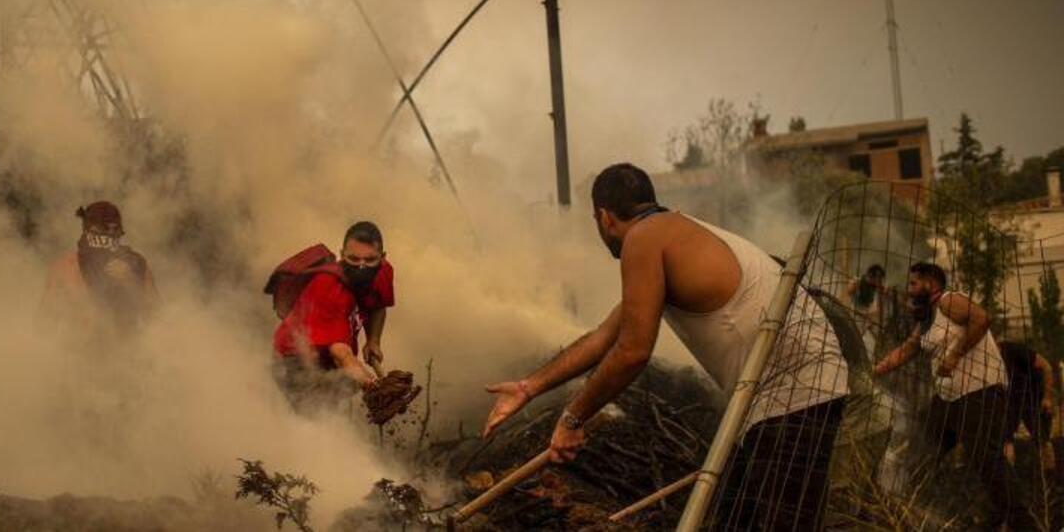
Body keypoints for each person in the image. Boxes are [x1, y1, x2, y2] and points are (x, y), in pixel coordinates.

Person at [482, 162, 849, 530]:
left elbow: (632, 352)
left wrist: (572, 418)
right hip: (789, 390)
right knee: (738, 516)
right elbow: (602, 338)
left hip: (794, 391)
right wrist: (528, 387)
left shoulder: (643, 240)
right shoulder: (671, 234)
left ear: (604, 217)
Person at [874, 262, 1026, 529]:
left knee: (985, 458)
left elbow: (981, 318)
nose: (910, 290)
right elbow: (906, 350)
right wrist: (873, 371)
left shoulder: (948, 300)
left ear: (931, 283)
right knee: (921, 448)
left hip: (979, 394)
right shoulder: (927, 321)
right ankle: (927, 511)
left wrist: (954, 355)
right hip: (949, 401)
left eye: (913, 284)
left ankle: (1021, 520)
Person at [269, 221, 395, 405]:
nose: (362, 267)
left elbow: (377, 305)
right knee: (322, 408)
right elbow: (341, 353)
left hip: (326, 356)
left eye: (369, 260)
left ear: (382, 258)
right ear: (342, 256)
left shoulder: (383, 271)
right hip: (293, 361)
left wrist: (373, 340)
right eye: (353, 259)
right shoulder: (329, 288)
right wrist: (374, 385)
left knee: (346, 385)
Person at [40, 200, 158, 338]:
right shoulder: (66, 268)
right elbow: (44, 324)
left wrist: (132, 283)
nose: (109, 236)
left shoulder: (137, 265)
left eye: (115, 230)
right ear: (89, 231)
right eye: (103, 230)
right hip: (78, 354)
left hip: (125, 352)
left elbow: (158, 318)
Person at [998, 340, 1056, 471]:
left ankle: (1051, 478)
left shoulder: (1013, 350)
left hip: (1034, 398)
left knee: (1042, 440)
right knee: (1005, 440)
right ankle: (1009, 481)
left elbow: (1046, 366)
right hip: (1010, 401)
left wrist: (1047, 397)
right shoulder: (985, 361)